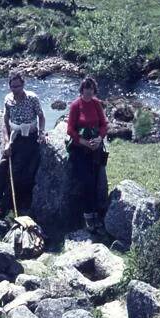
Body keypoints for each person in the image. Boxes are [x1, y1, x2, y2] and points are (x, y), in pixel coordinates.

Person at [0, 71, 46, 219]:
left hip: (28, 138)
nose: (15, 89)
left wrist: (42, 132)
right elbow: (5, 122)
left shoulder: (32, 99)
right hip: (13, 138)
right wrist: (6, 143)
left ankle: (2, 207)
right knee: (0, 168)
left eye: (17, 86)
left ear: (23, 85)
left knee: (16, 172)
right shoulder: (8, 99)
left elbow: (41, 116)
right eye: (12, 87)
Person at [66, 76, 109, 232]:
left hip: (95, 149)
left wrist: (99, 139)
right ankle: (88, 216)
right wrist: (83, 142)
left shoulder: (97, 104)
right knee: (87, 183)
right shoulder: (75, 106)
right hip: (80, 150)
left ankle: (96, 214)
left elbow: (104, 125)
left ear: (94, 89)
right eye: (86, 88)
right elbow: (70, 129)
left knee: (97, 182)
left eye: (91, 88)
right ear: (81, 89)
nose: (89, 91)